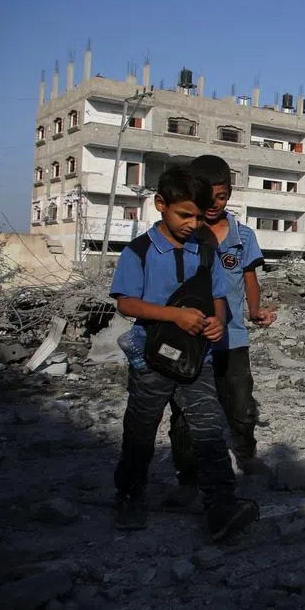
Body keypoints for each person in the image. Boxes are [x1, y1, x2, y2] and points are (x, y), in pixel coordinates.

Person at [109, 165, 258, 541]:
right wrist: (174, 314)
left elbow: (219, 297)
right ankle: (129, 495)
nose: (192, 224)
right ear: (160, 204)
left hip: (198, 361)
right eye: (184, 215)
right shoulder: (140, 251)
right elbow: (127, 303)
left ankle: (220, 504)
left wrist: (217, 323)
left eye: (197, 216)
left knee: (208, 431)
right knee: (140, 432)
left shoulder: (205, 251)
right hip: (151, 361)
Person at [165, 155, 275, 511]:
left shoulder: (243, 236)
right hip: (189, 340)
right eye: (207, 197)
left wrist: (255, 311)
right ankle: (187, 475)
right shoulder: (181, 232)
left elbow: (249, 278)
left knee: (241, 405)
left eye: (222, 197)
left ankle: (246, 455)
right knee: (185, 414)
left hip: (232, 338)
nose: (214, 205)